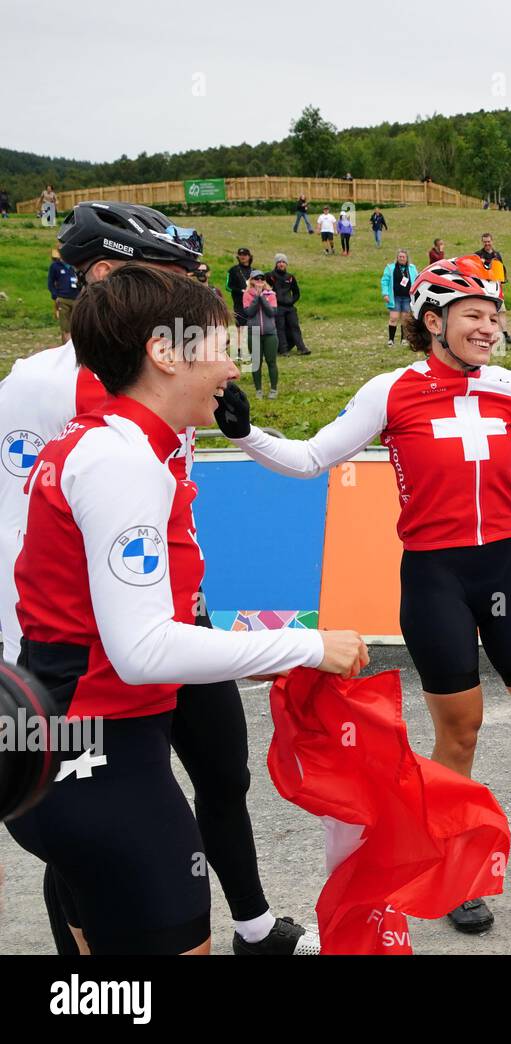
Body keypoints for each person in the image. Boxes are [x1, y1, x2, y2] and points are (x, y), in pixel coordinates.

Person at [213, 254, 511, 933]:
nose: (490, 327)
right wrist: (246, 434)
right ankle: (454, 867)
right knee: (459, 730)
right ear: (431, 320)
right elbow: (313, 457)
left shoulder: (508, 386)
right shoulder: (391, 390)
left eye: (495, 316)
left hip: (503, 570)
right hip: (435, 580)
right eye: (474, 315)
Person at [0, 205, 335, 956]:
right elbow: (19, 527)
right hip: (89, 672)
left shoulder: (146, 409)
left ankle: (245, 921)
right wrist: (307, 646)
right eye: (172, 284)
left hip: (141, 637)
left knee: (216, 775)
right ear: (113, 282)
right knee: (109, 842)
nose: (225, 353)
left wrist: (240, 430)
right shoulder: (50, 396)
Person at [242, 271, 280, 398]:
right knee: (256, 362)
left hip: (270, 333)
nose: (259, 280)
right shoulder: (247, 295)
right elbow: (250, 312)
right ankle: (258, 390)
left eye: (262, 278)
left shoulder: (271, 294)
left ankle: (273, 389)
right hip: (254, 333)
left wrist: (262, 297)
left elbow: (271, 312)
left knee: (271, 361)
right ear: (251, 280)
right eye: (256, 278)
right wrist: (256, 298)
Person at [476, 233, 511, 344]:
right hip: (485, 289)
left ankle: (505, 335)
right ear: (482, 242)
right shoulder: (478, 255)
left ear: (492, 241)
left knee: (501, 311)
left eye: (488, 241)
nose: (487, 243)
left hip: (497, 288)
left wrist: (503, 279)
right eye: (485, 242)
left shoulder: (497, 254)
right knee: (488, 313)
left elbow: (502, 268)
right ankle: (490, 336)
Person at [269, 253, 310, 356]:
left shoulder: (290, 277)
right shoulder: (270, 276)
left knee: (294, 326)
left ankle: (301, 347)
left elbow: (296, 293)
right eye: (279, 262)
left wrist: (292, 301)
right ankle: (283, 350)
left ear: (286, 264)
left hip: (290, 307)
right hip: (277, 307)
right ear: (276, 264)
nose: (281, 264)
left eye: (283, 262)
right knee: (280, 327)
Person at [381, 249, 419, 347]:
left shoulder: (412, 268)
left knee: (405, 319)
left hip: (407, 297)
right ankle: (391, 340)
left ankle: (404, 339)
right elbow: (385, 281)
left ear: (407, 258)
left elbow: (417, 280)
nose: (401, 258)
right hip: (395, 297)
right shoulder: (390, 268)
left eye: (403, 257)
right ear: (397, 258)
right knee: (394, 318)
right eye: (400, 257)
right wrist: (385, 293)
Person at [226, 247, 254, 363]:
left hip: (252, 302)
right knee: (239, 326)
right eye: (241, 254)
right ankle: (237, 350)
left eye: (245, 254)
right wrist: (241, 291)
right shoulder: (233, 270)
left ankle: (247, 349)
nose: (243, 256)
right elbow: (228, 286)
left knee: (249, 326)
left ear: (249, 256)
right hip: (238, 301)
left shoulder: (254, 271)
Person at [47, 248, 80, 339]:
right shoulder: (55, 266)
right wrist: (55, 296)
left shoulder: (76, 266)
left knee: (77, 325)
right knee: (65, 327)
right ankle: (66, 347)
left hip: (77, 299)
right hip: (63, 298)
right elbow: (50, 283)